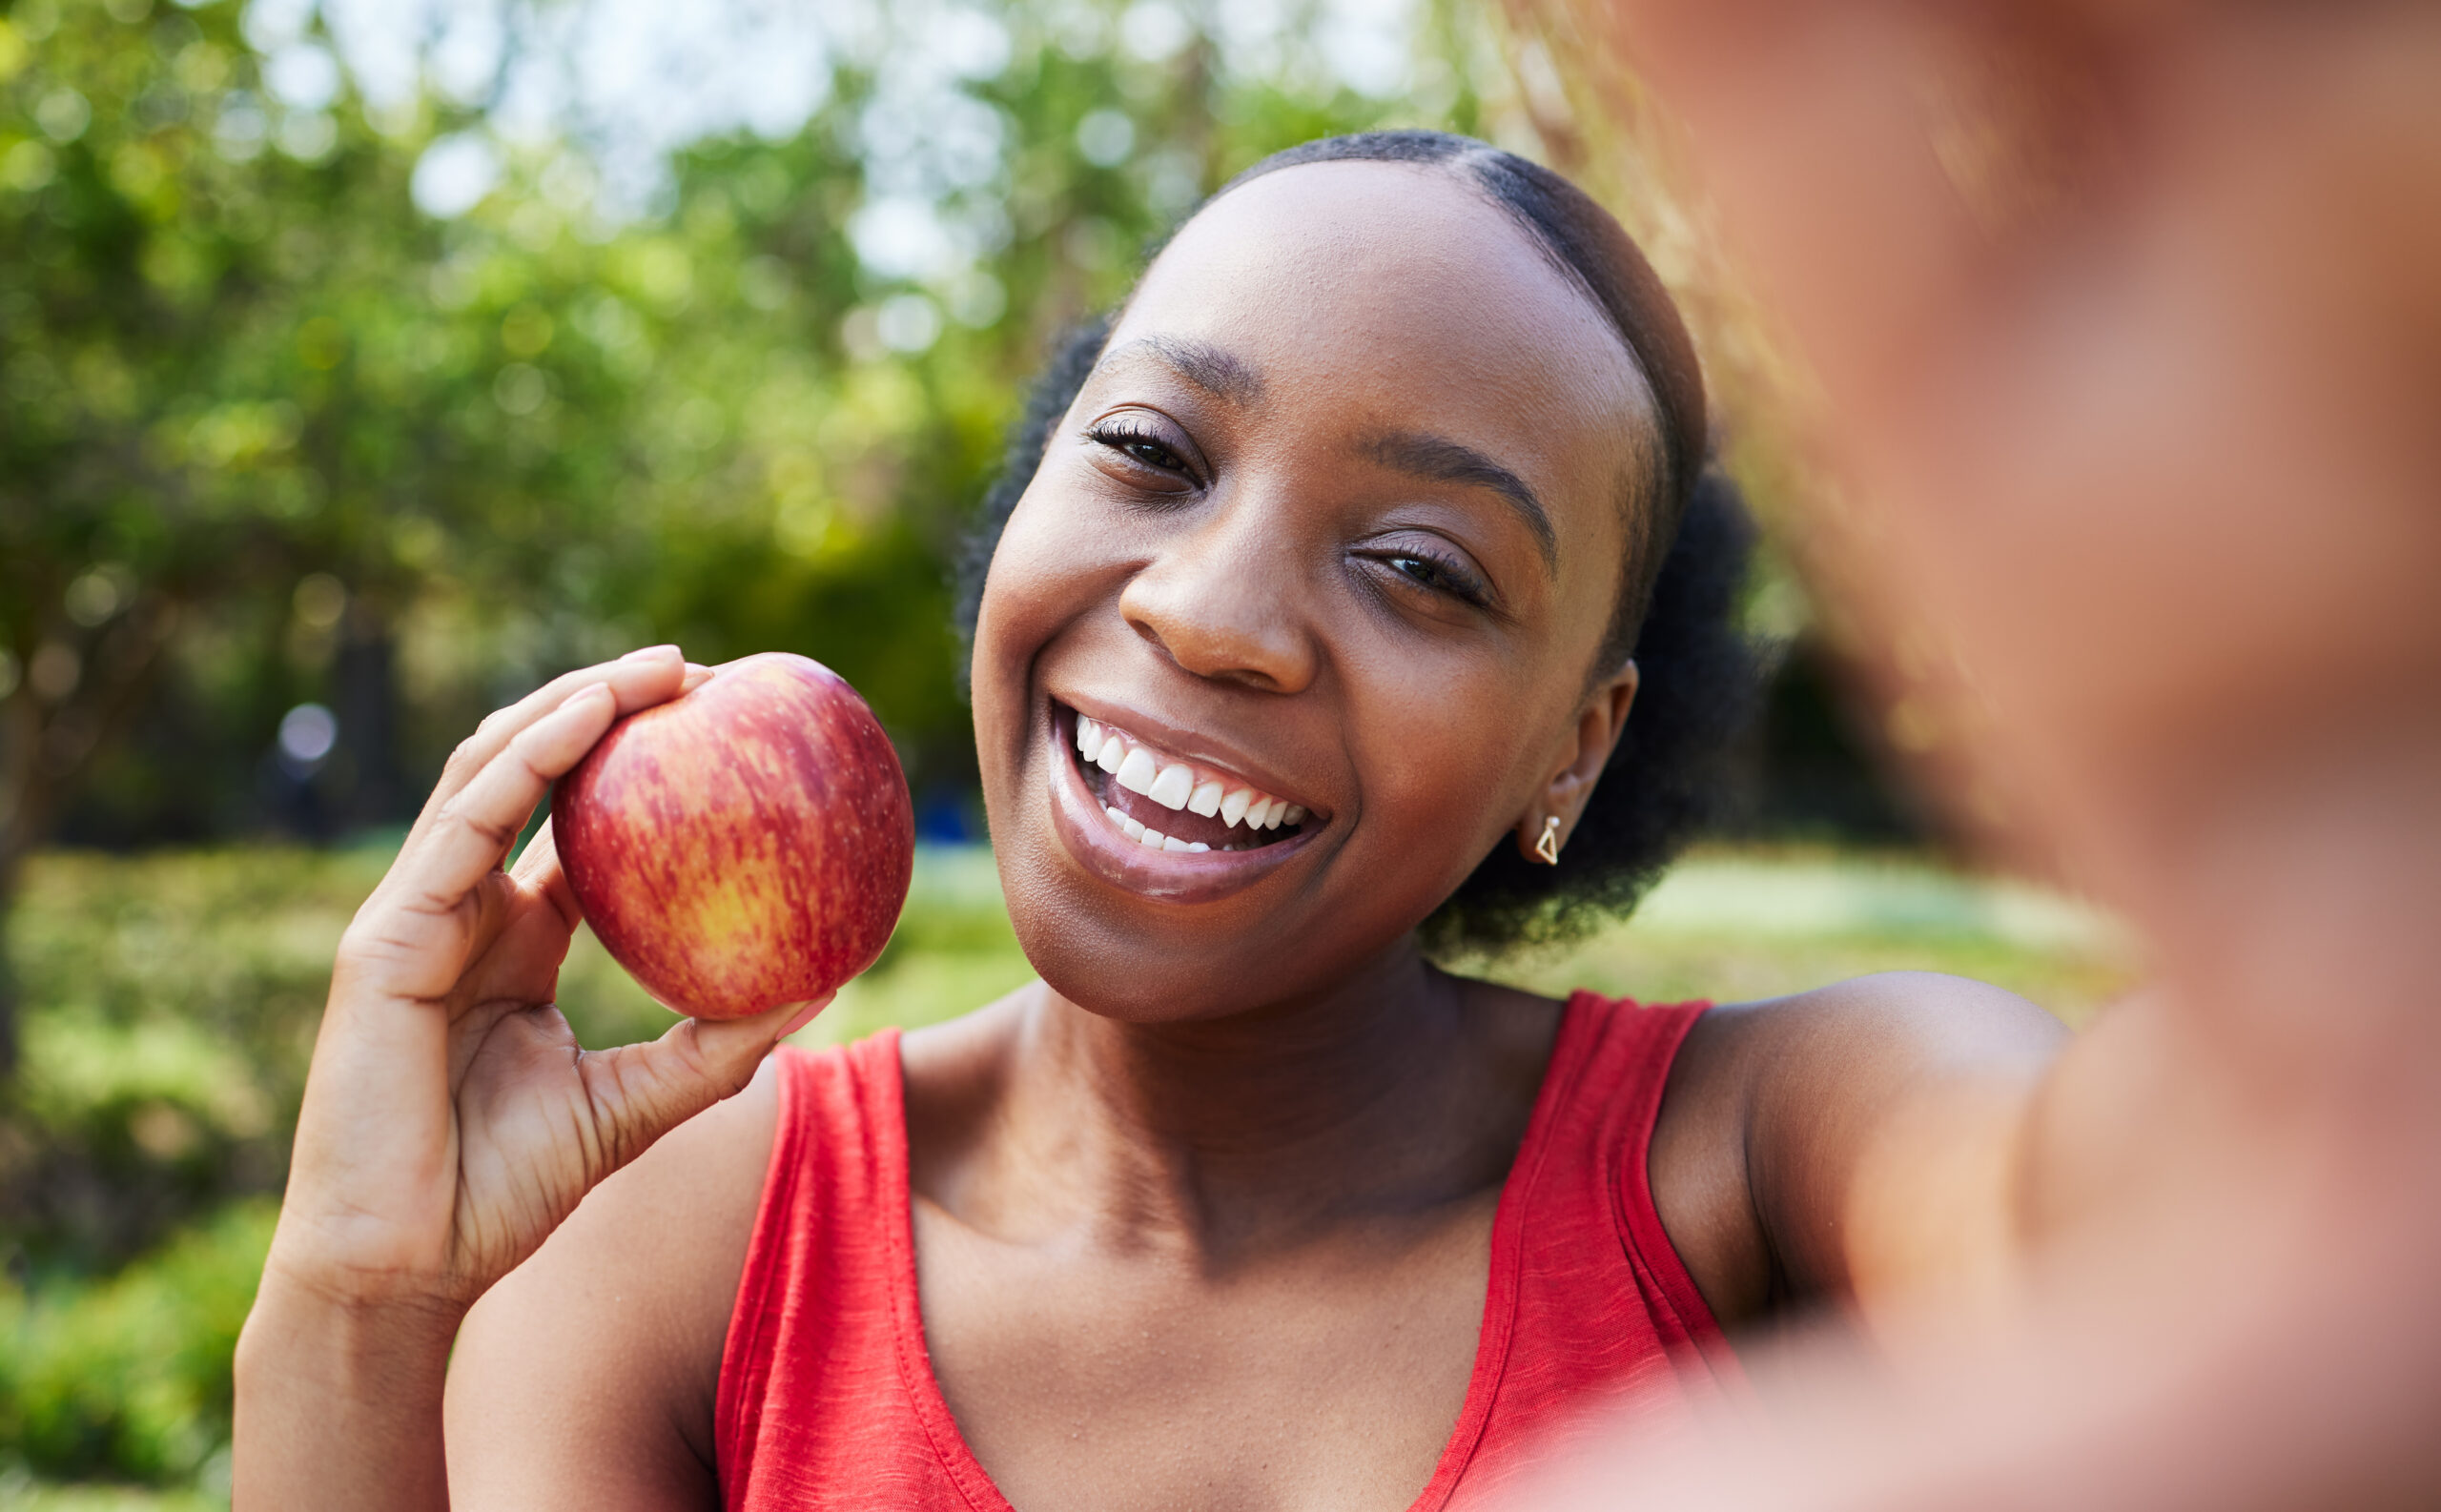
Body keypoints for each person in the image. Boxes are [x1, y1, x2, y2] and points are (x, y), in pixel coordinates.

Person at [235, 133, 2079, 1510]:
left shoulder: (1772, 1157)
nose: (1206, 608)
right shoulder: (687, 1258)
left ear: (1574, 754)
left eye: (1423, 566)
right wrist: (360, 1289)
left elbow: (2139, 1213)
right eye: (1152, 453)